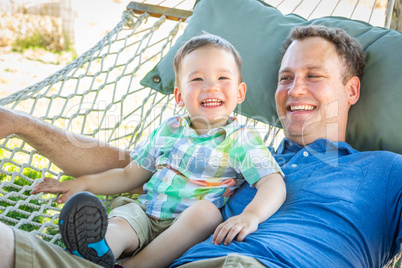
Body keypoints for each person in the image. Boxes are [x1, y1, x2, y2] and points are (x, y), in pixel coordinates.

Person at [0, 24, 401, 268]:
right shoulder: (233, 160)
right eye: (285, 77)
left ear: (351, 90)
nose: (295, 89)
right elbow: (127, 170)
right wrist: (21, 125)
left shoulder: (385, 171)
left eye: (313, 76)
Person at [28, 33, 285, 268]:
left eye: (223, 78)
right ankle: (98, 247)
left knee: (206, 212)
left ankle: (132, 265)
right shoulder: (169, 129)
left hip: (187, 228)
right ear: (179, 95)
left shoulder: (241, 139)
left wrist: (251, 216)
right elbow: (130, 176)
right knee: (123, 219)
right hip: (146, 211)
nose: (210, 87)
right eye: (197, 79)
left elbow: (273, 182)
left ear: (240, 92)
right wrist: (83, 184)